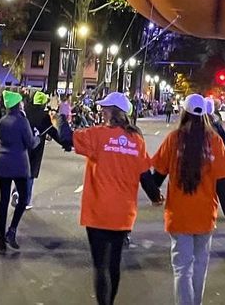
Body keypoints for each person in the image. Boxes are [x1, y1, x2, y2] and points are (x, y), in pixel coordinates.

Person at [51, 91, 159, 305]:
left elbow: (66, 137)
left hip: (98, 211)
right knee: (114, 263)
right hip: (123, 213)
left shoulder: (97, 135)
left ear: (113, 113)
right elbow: (145, 174)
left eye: (104, 108)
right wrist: (156, 196)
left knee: (100, 265)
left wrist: (60, 117)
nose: (101, 111)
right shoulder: (136, 140)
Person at [150, 94, 225, 305]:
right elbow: (222, 183)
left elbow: (158, 174)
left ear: (184, 112)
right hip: (204, 215)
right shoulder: (215, 141)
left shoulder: (174, 139)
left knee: (182, 268)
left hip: (178, 214)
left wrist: (154, 194)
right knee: (199, 267)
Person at [0, 89, 39, 253]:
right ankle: (11, 230)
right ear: (18, 104)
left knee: (3, 201)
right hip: (19, 163)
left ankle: (1, 239)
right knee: (24, 198)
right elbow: (30, 143)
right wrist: (37, 137)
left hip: (3, 162)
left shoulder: (2, 121)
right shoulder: (22, 121)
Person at [23, 90, 53, 210]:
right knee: (31, 174)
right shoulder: (45, 117)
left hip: (24, 145)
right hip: (37, 148)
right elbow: (53, 131)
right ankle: (26, 200)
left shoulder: (26, 112)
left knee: (23, 171)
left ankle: (17, 192)